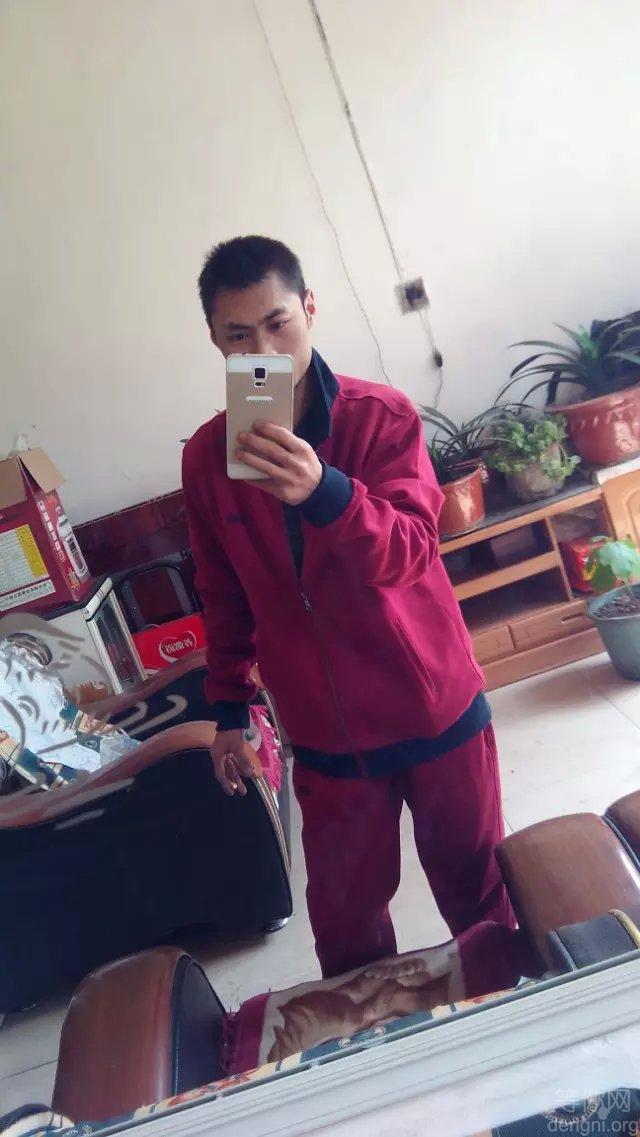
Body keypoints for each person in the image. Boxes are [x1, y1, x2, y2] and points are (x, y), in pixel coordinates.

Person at [182, 235, 515, 978]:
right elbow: (222, 588)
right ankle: (380, 1042)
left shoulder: (381, 416)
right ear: (215, 339)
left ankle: (512, 1018)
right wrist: (230, 708)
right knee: (345, 924)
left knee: (480, 895)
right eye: (238, 335)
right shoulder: (208, 458)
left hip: (432, 705)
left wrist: (325, 492)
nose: (263, 349)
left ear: (309, 308)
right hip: (325, 731)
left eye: (278, 323)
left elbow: (412, 550)